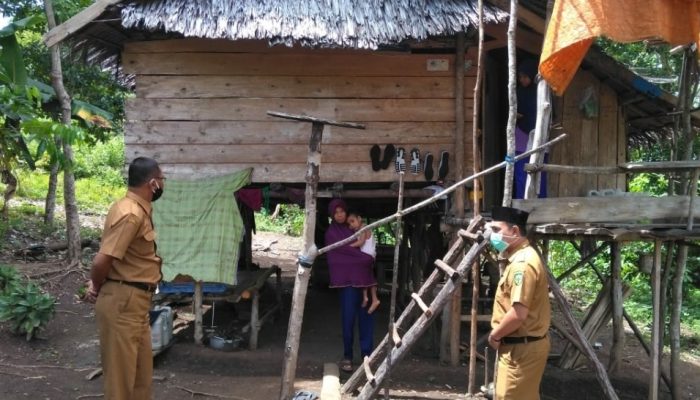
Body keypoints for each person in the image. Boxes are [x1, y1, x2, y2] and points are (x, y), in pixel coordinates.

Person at [85, 157, 165, 400]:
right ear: (152, 183)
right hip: (123, 302)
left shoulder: (133, 209)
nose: (163, 184)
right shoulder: (130, 214)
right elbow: (103, 260)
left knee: (141, 377)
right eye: (161, 180)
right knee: (121, 382)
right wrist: (96, 286)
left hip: (136, 303)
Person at [487, 206, 551, 400]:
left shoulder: (522, 264)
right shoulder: (521, 258)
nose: (493, 236)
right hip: (521, 346)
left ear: (514, 231)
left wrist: (495, 336)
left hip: (521, 350)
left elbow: (518, 314)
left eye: (497, 230)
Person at [324, 199, 376, 373]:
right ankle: (347, 356)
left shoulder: (354, 228)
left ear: (346, 213)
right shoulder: (331, 233)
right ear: (332, 214)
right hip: (347, 284)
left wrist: (362, 259)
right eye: (336, 212)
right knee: (348, 320)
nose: (339, 214)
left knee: (366, 318)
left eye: (342, 211)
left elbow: (363, 250)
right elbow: (337, 257)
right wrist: (364, 260)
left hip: (365, 280)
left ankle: (367, 355)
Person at [514, 59, 547, 199]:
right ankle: (521, 200)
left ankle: (540, 201)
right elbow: (515, 111)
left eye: (525, 76)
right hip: (521, 134)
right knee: (521, 170)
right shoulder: (519, 93)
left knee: (540, 169)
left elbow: (550, 114)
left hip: (540, 134)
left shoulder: (542, 92)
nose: (522, 80)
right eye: (520, 77)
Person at [346, 209, 380, 314]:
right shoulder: (359, 229)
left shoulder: (364, 228)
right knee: (366, 275)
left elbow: (361, 242)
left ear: (359, 219)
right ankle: (367, 297)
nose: (351, 225)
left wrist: (346, 247)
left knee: (366, 276)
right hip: (367, 256)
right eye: (349, 223)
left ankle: (373, 299)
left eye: (352, 221)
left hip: (367, 256)